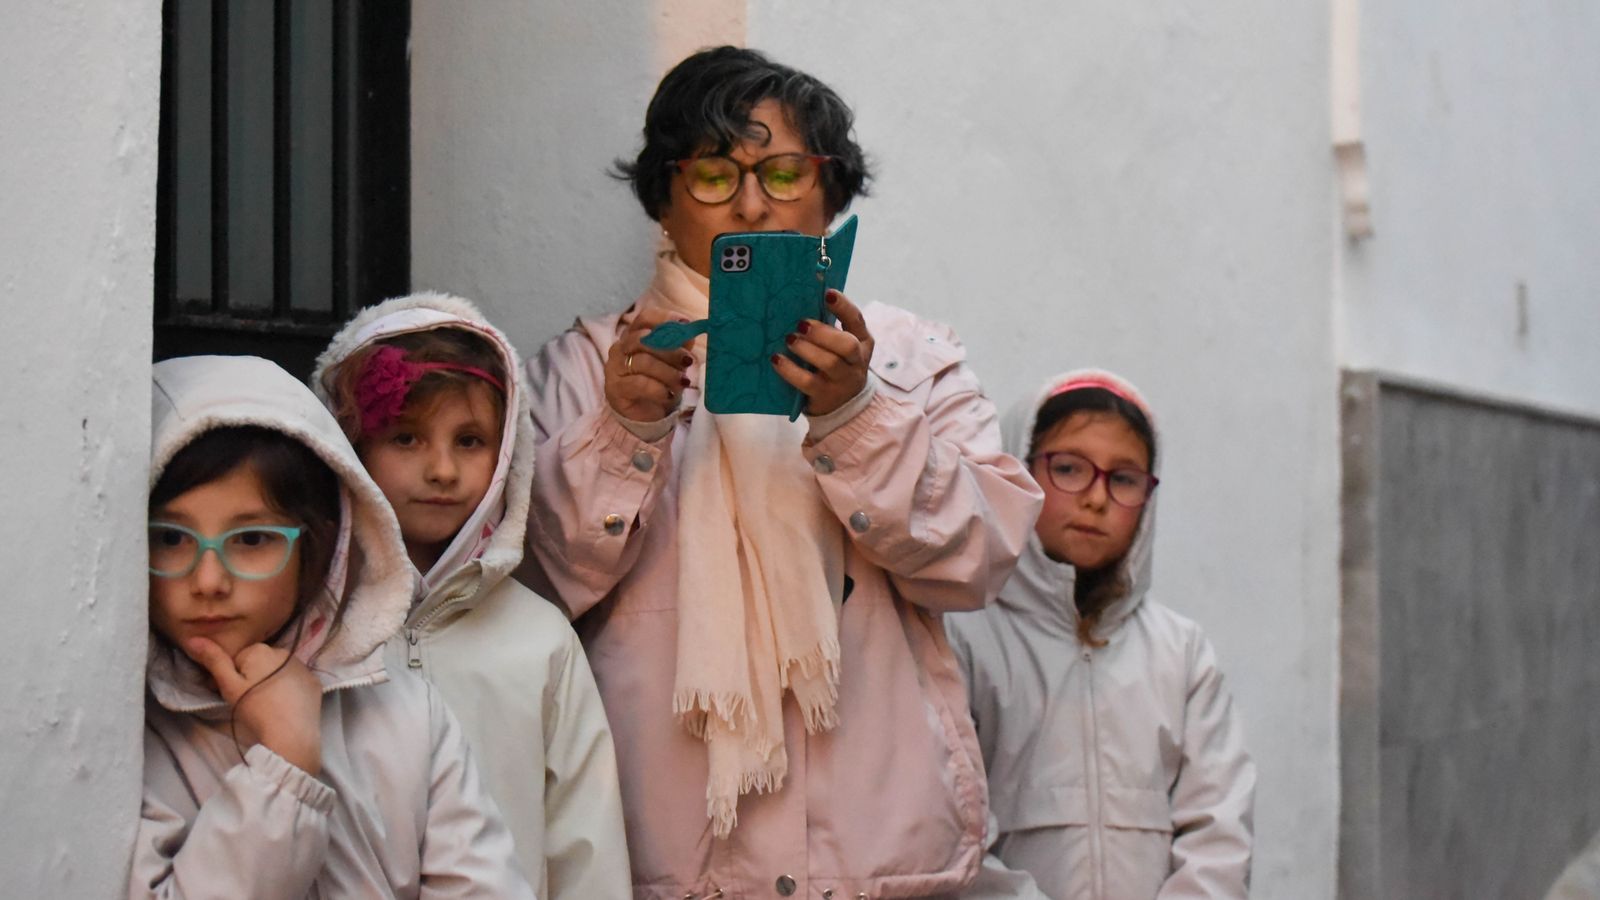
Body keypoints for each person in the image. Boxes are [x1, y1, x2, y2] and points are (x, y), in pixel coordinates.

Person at [520, 45, 1043, 899]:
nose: (755, 201)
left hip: (879, 863)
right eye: (718, 174)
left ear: (832, 193)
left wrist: (856, 414)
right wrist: (624, 433)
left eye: (786, 171)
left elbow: (979, 558)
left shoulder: (914, 359)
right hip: (669, 861)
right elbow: (533, 586)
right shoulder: (582, 371)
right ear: (665, 198)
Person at [131, 355, 533, 898]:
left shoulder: (407, 714)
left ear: (321, 548)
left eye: (251, 540)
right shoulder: (130, 737)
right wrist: (284, 766)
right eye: (172, 539)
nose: (208, 580)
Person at [312, 292, 632, 899]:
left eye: (469, 441)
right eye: (406, 439)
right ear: (348, 449)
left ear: (508, 452)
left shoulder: (540, 639)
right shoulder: (307, 632)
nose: (442, 470)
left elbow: (585, 845)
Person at [947, 370, 1256, 899]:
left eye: (1125, 478)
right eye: (1068, 468)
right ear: (1018, 472)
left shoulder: (1181, 654)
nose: (1096, 498)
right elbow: (954, 832)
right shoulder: (962, 635)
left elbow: (1218, 834)